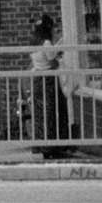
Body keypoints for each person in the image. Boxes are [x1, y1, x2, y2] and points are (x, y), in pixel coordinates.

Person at [29, 14, 72, 158]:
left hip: (37, 80)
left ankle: (42, 145)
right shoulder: (46, 43)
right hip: (48, 80)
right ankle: (54, 147)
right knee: (53, 112)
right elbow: (52, 62)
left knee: (41, 114)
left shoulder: (33, 42)